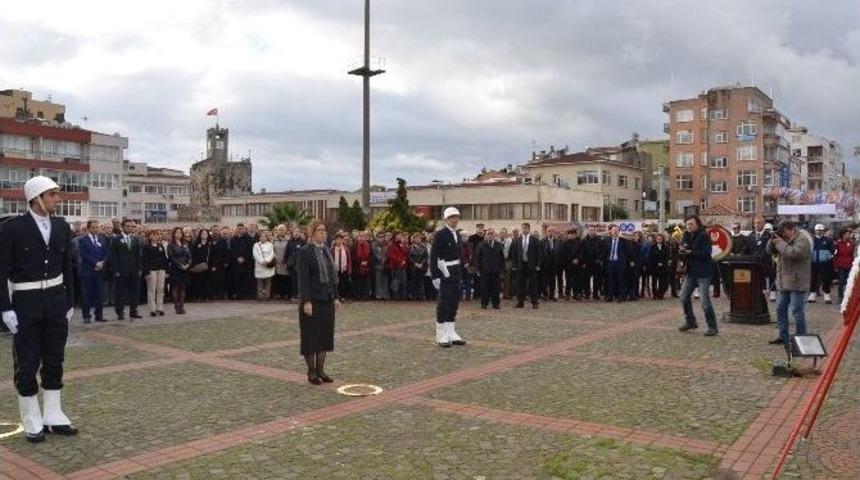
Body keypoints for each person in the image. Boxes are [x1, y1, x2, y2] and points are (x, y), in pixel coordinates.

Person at [0, 176, 78, 442]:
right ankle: (32, 419)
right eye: (53, 194)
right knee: (27, 363)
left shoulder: (61, 227)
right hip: (26, 303)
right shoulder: (12, 228)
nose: (58, 198)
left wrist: (70, 301)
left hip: (56, 301)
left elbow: (69, 266)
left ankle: (53, 414)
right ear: (37, 198)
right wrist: (4, 308)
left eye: (57, 193)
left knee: (55, 359)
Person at [295, 220, 341, 384]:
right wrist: (306, 301)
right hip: (312, 300)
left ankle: (321, 370)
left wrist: (336, 297)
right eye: (319, 230)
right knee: (310, 337)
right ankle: (312, 371)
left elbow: (332, 278)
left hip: (326, 299)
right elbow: (303, 279)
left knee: (324, 336)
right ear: (312, 232)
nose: (323, 233)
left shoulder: (327, 251)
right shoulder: (305, 252)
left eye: (324, 230)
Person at [766, 220, 811, 346]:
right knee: (780, 309)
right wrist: (772, 240)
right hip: (783, 281)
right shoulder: (783, 238)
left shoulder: (803, 240)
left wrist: (779, 242)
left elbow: (795, 253)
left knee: (797, 310)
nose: (784, 235)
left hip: (797, 281)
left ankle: (801, 338)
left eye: (785, 232)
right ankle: (782, 336)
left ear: (792, 229)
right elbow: (770, 252)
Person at [430, 207, 467, 347]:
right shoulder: (440, 234)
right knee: (444, 303)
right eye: (452, 217)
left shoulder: (456, 234)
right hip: (444, 273)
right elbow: (434, 256)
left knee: (453, 303)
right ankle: (441, 334)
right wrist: (435, 276)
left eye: (456, 217)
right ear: (446, 219)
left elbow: (458, 256)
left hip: (455, 272)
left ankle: (451, 332)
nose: (455, 220)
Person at [678, 215, 719, 336]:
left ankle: (712, 327)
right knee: (683, 296)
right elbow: (685, 250)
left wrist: (690, 252)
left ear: (697, 224)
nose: (689, 226)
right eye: (687, 224)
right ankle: (690, 321)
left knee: (704, 300)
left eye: (691, 224)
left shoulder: (704, 235)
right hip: (691, 271)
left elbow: (706, 253)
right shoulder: (686, 235)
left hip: (703, 272)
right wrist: (682, 250)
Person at [109, 219, 143, 320]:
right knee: (120, 292)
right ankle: (120, 312)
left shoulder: (135, 239)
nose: (130, 228)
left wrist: (139, 268)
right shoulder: (116, 239)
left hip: (134, 270)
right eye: (127, 226)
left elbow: (138, 256)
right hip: (121, 270)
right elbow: (113, 256)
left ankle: (133, 311)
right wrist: (115, 270)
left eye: (131, 226)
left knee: (134, 292)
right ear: (122, 227)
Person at [78, 219, 108, 323]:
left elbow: (106, 253)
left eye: (97, 227)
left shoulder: (102, 239)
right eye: (93, 227)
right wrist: (95, 263)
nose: (96, 229)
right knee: (87, 294)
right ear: (89, 228)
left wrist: (102, 262)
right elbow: (84, 255)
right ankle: (86, 316)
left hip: (99, 271)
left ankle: (99, 315)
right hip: (87, 271)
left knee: (99, 294)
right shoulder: (83, 240)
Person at [509, 222, 542, 309]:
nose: (523, 230)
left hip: (532, 265)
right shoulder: (517, 240)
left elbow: (539, 253)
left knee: (533, 284)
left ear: (528, 229)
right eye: (522, 228)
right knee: (520, 284)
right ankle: (520, 302)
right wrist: (514, 265)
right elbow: (514, 254)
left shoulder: (534, 240)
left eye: (525, 228)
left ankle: (534, 302)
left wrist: (538, 264)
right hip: (521, 265)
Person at [474, 229, 504, 309]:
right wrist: (477, 269)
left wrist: (501, 270)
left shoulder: (499, 245)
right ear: (485, 235)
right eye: (488, 234)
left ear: (494, 235)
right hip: (484, 271)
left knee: (496, 288)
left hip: (496, 271)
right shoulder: (481, 245)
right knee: (484, 288)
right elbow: (477, 258)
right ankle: (484, 304)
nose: (490, 235)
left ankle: (496, 304)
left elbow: (502, 258)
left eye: (492, 233)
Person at [142, 229, 168, 317]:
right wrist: (146, 272)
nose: (155, 236)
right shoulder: (146, 247)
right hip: (151, 270)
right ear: (149, 236)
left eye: (157, 235)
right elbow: (144, 260)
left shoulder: (160, 246)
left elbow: (164, 259)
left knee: (160, 289)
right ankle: (152, 309)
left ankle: (160, 307)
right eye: (153, 235)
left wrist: (166, 270)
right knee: (151, 290)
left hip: (161, 269)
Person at [167, 227, 191, 314]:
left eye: (180, 233)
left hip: (185, 269)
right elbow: (171, 257)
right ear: (174, 234)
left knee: (183, 288)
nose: (179, 234)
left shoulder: (185, 243)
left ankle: (182, 306)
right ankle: (176, 305)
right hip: (175, 268)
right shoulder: (171, 245)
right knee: (175, 288)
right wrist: (180, 265)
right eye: (177, 232)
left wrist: (188, 264)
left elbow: (189, 256)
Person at [809, 224, 834, 304]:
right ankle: (812, 296)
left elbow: (833, 251)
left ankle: (827, 296)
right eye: (817, 230)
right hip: (813, 263)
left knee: (825, 280)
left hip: (825, 263)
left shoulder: (828, 240)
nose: (819, 232)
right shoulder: (811, 240)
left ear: (823, 231)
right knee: (813, 280)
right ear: (815, 231)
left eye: (820, 230)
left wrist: (828, 257)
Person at [603, 225, 628, 303]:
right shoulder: (607, 241)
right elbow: (605, 253)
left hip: (619, 263)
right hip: (610, 263)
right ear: (611, 232)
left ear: (619, 231)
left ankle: (620, 296)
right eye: (614, 231)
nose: (615, 232)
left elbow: (626, 252)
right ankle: (610, 296)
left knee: (620, 280)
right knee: (610, 280)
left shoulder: (623, 241)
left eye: (617, 231)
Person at [229, 223, 255, 300]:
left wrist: (244, 258)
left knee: (245, 280)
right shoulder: (233, 239)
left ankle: (244, 295)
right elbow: (232, 251)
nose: (240, 230)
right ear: (236, 229)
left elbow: (251, 251)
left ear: (244, 229)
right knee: (236, 279)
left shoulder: (249, 239)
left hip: (246, 263)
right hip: (236, 263)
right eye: (239, 229)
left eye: (242, 229)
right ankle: (237, 294)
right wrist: (237, 258)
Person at [190, 229, 212, 301]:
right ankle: (199, 296)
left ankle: (206, 297)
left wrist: (212, 265)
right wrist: (193, 265)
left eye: (205, 234)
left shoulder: (210, 244)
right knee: (198, 282)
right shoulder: (196, 244)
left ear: (208, 235)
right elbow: (193, 255)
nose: (204, 235)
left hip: (207, 265)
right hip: (198, 266)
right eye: (202, 233)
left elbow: (213, 255)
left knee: (207, 282)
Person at [253, 230, 276, 300]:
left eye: (264, 237)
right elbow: (255, 254)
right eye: (261, 237)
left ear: (266, 237)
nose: (263, 238)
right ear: (259, 238)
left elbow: (272, 254)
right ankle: (260, 296)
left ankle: (267, 296)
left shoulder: (270, 245)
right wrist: (261, 261)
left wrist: (267, 261)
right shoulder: (256, 245)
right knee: (260, 283)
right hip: (259, 266)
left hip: (268, 266)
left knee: (268, 283)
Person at [833, 228, 855, 301]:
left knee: (849, 281)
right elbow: (836, 255)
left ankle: (848, 296)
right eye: (847, 234)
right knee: (841, 281)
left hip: (850, 264)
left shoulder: (851, 243)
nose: (849, 235)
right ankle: (840, 296)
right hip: (841, 265)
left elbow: (853, 254)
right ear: (843, 235)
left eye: (849, 234)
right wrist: (835, 266)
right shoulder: (838, 244)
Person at [540, 227, 561, 301]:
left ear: (554, 233)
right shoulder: (542, 241)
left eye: (552, 231)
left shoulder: (558, 241)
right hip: (545, 264)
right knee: (544, 281)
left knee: (553, 280)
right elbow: (540, 254)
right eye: (549, 231)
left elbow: (560, 253)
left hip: (554, 264)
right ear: (546, 232)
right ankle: (545, 295)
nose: (550, 233)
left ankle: (552, 295)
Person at [387, 232, 409, 300]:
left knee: (403, 282)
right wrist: (400, 261)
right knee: (396, 282)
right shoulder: (391, 245)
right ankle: (396, 296)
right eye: (399, 235)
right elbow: (391, 256)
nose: (400, 236)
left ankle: (403, 296)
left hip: (402, 266)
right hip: (395, 267)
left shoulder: (401, 245)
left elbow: (405, 254)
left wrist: (404, 261)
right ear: (395, 236)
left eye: (401, 235)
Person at [649, 233, 670, 300]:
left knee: (662, 281)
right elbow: (651, 257)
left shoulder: (666, 247)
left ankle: (660, 294)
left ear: (662, 240)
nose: (659, 240)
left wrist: (663, 263)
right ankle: (655, 294)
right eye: (658, 239)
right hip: (655, 267)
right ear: (656, 240)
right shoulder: (652, 247)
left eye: (660, 239)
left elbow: (667, 257)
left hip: (663, 267)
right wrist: (657, 263)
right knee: (654, 281)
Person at [351, 231, 372, 300]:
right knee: (358, 282)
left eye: (363, 236)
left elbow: (371, 255)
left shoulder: (369, 245)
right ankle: (358, 296)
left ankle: (365, 296)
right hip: (357, 267)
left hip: (367, 267)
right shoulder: (354, 245)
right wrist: (360, 262)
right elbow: (353, 256)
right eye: (360, 236)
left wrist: (367, 262)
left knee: (366, 283)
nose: (362, 238)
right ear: (358, 237)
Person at [407, 233, 428, 301]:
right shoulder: (410, 247)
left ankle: (421, 296)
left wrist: (422, 263)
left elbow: (426, 256)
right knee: (413, 282)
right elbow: (409, 257)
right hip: (413, 267)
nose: (418, 239)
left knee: (421, 282)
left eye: (420, 238)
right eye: (417, 238)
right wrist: (415, 263)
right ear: (414, 239)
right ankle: (414, 296)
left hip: (421, 267)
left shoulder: (424, 247)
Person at [331, 233, 352, 301]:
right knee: (337, 283)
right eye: (337, 239)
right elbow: (330, 260)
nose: (339, 241)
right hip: (335, 269)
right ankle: (337, 296)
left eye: (340, 239)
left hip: (344, 268)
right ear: (335, 240)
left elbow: (349, 260)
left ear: (342, 240)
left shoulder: (346, 249)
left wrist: (349, 269)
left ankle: (343, 296)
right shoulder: (332, 249)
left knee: (343, 283)